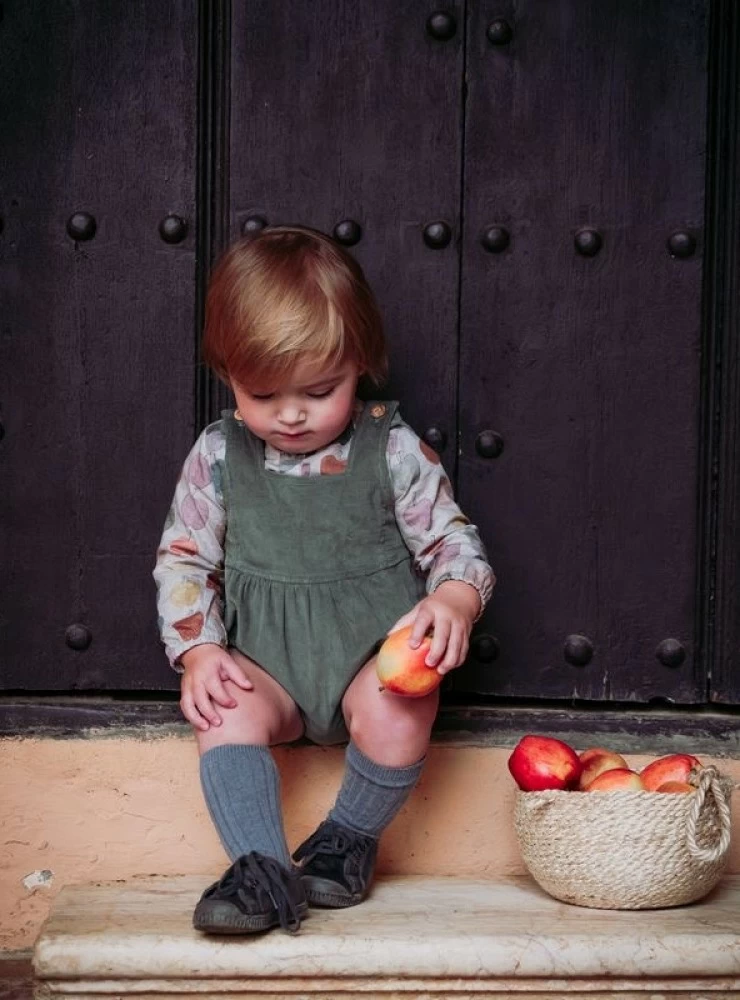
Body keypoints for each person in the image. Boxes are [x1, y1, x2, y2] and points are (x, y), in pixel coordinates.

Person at [153, 225, 495, 935]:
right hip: (267, 669)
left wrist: (454, 596)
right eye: (263, 392)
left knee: (407, 700)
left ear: (360, 363)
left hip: (368, 663)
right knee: (223, 710)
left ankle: (345, 842)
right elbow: (183, 558)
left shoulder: (391, 449)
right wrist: (199, 652)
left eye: (319, 389)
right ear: (227, 377)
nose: (291, 414)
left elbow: (452, 540)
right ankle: (261, 868)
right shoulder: (219, 454)